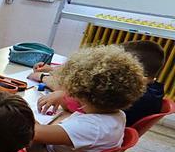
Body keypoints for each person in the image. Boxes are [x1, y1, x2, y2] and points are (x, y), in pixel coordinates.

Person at [30, 45, 146, 152]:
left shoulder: (89, 128)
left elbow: (32, 132)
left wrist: (15, 103)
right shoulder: (117, 115)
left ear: (80, 91)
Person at [31, 41, 166, 127]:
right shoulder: (152, 89)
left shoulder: (125, 95)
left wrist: (44, 78)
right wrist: (53, 70)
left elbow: (79, 97)